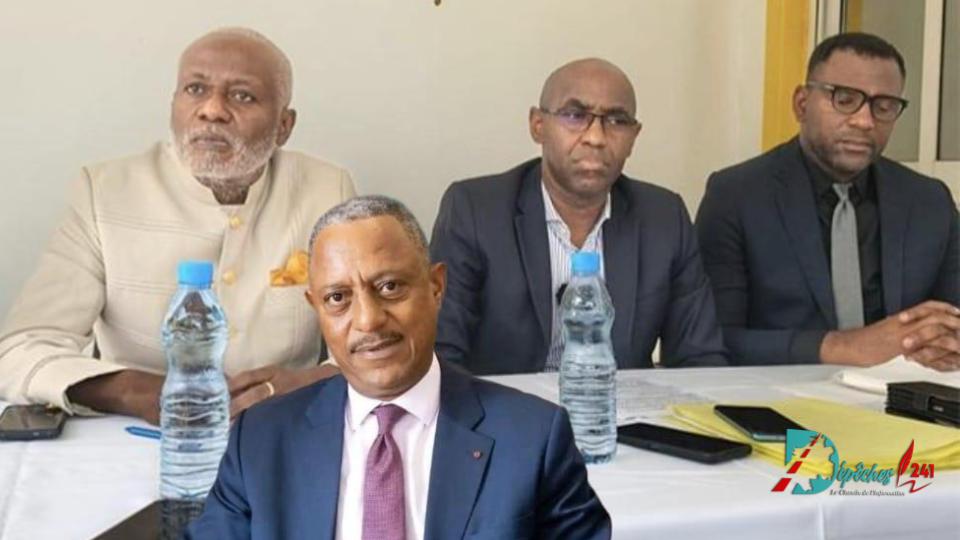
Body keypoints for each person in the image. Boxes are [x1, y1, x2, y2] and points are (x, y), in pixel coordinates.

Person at [187, 195, 611, 539]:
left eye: (389, 287)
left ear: (436, 287)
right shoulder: (261, 441)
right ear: (316, 309)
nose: (368, 320)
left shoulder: (533, 439)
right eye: (338, 298)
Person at [0, 28, 356, 423]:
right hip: (138, 435)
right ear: (174, 104)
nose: (212, 110)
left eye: (243, 96)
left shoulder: (326, 190)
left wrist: (309, 383)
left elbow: (376, 341)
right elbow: (21, 350)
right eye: (195, 89)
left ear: (284, 126)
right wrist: (133, 391)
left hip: (285, 427)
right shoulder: (104, 193)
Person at [430, 58, 728, 375]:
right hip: (503, 404)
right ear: (538, 125)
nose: (595, 137)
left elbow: (701, 360)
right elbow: (441, 355)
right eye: (575, 116)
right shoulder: (475, 211)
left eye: (616, 120)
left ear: (634, 136)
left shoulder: (664, 218)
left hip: (618, 403)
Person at [696, 32, 959, 369]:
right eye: (844, 99)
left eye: (884, 107)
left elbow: (952, 322)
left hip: (903, 393)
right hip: (782, 398)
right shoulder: (735, 196)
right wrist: (841, 347)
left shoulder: (929, 201)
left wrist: (942, 343)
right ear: (801, 104)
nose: (865, 121)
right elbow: (709, 342)